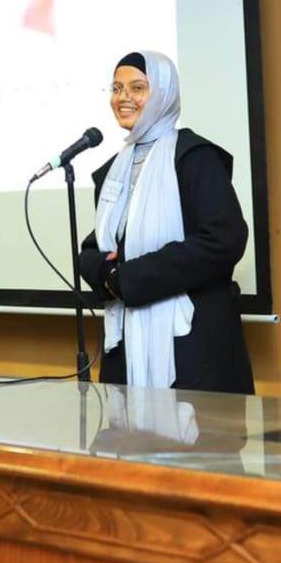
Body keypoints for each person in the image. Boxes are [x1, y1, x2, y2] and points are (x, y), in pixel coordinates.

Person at [79, 51, 254, 393]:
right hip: (125, 348)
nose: (123, 97)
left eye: (137, 88)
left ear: (163, 93)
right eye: (116, 88)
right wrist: (105, 273)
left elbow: (224, 239)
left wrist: (129, 278)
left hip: (190, 345)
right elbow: (97, 245)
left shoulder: (195, 157)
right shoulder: (112, 171)